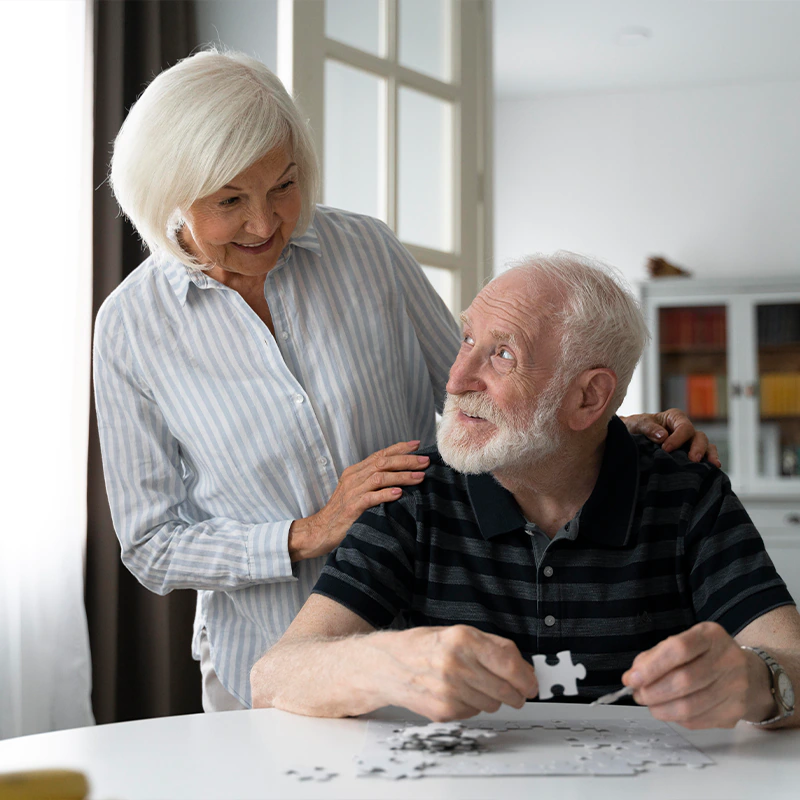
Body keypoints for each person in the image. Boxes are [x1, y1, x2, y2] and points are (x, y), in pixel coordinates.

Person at [95, 49, 714, 712]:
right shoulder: (131, 328)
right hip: (267, 665)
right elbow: (152, 544)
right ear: (168, 196)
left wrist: (593, 428)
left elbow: (482, 398)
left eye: (284, 184)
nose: (266, 222)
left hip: (428, 649)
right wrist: (307, 530)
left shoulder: (365, 252)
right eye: (230, 201)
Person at [252, 252, 800, 730]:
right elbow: (273, 678)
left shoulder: (688, 492)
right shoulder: (414, 489)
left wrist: (756, 682)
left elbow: (791, 659)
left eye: (502, 354)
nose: (457, 377)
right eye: (467, 339)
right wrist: (388, 664)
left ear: (589, 399)